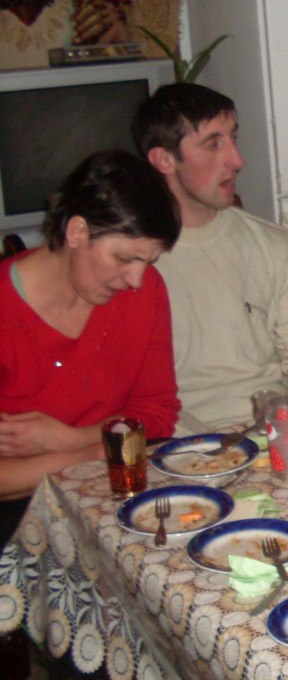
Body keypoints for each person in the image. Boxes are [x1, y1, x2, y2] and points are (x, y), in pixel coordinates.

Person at [0, 150, 182, 546]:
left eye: (147, 262)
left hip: (117, 486)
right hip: (19, 516)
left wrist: (69, 438)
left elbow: (157, 413)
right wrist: (90, 454)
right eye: (124, 258)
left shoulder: (145, 292)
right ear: (77, 231)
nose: (136, 280)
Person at [133, 83, 288, 433]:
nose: (237, 160)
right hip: (180, 444)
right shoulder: (130, 263)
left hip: (274, 432)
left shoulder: (274, 244)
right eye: (213, 144)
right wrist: (215, 445)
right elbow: (130, 397)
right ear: (164, 160)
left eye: (233, 138)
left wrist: (284, 418)